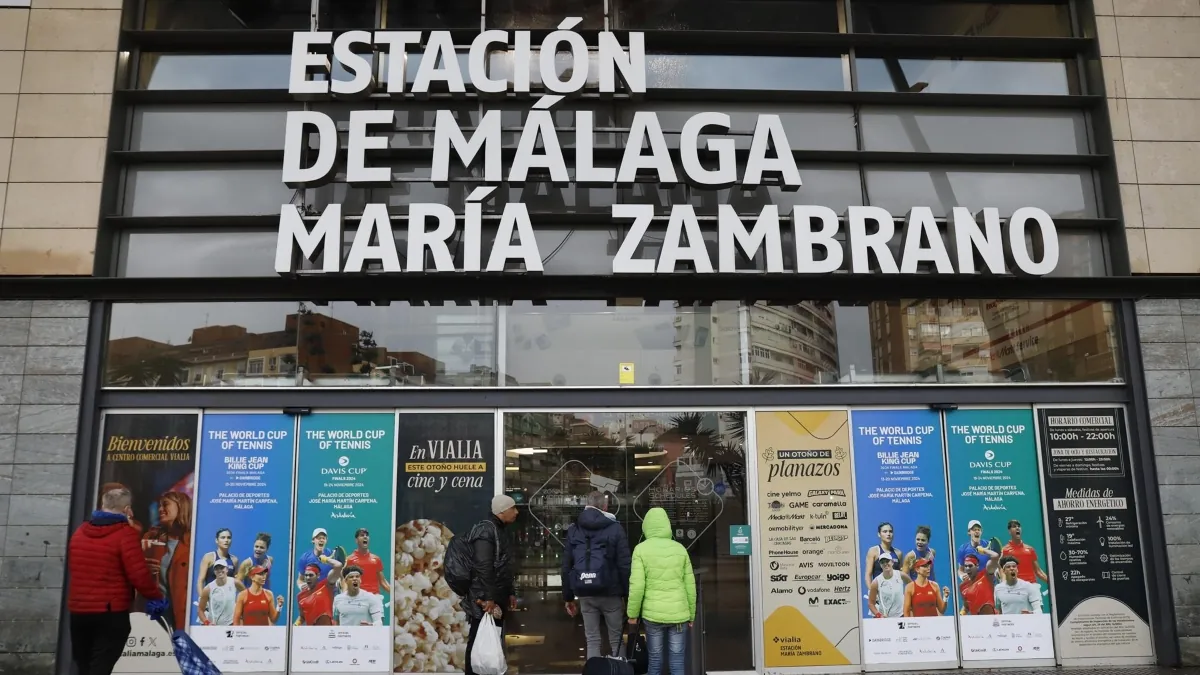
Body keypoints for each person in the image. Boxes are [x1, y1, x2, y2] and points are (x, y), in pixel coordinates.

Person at [68, 487, 165, 675]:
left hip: (79, 612)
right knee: (101, 666)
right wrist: (156, 597)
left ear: (103, 505)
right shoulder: (125, 534)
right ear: (127, 509)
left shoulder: (80, 532)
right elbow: (139, 575)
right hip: (109, 612)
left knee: (84, 666)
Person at [562, 491, 633, 659]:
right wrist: (628, 594)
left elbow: (566, 566)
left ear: (586, 505)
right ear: (605, 506)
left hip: (585, 591)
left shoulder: (574, 529)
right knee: (616, 639)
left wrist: (568, 597)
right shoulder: (615, 528)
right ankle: (619, 671)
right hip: (611, 591)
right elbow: (624, 565)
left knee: (592, 640)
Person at [627, 508, 696, 675]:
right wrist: (691, 614)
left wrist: (632, 614)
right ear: (667, 525)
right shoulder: (680, 549)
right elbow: (690, 584)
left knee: (655, 662)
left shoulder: (641, 550)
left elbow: (637, 585)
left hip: (653, 615)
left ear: (646, 527)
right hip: (679, 615)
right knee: (677, 662)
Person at [462, 495, 519, 675]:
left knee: (491, 637)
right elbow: (484, 566)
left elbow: (502, 565)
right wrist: (489, 598)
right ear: (502, 511)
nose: (516, 512)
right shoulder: (486, 531)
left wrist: (509, 592)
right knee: (478, 637)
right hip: (484, 597)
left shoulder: (499, 529)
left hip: (494, 594)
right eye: (513, 508)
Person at [141, 490, 193, 630]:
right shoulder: (150, 537)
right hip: (154, 614)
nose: (160, 509)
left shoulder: (194, 540)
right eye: (159, 505)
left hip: (182, 615)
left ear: (181, 507)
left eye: (165, 504)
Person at [297, 558, 343, 626]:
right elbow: (302, 617)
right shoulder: (300, 596)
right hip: (312, 633)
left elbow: (338, 566)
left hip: (328, 631)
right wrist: (296, 624)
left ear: (318, 575)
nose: (308, 578)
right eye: (306, 575)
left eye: (311, 575)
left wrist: (325, 559)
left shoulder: (326, 585)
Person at [1001, 520, 1049, 585]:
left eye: (1019, 526)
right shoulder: (1004, 550)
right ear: (1009, 531)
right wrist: (1003, 586)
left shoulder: (1030, 549)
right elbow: (1002, 571)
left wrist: (1051, 582)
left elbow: (1038, 571)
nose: (1017, 528)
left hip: (1032, 585)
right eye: (1014, 526)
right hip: (1015, 587)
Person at [346, 528, 391, 595]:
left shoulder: (376, 559)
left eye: (366, 535)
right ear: (356, 540)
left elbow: (383, 582)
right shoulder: (349, 560)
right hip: (357, 597)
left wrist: (394, 594)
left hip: (374, 597)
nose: (365, 537)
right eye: (362, 535)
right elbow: (345, 582)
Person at [196, 528, 240, 593]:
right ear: (217, 540)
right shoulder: (209, 557)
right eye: (223, 537)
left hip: (227, 600)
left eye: (229, 538)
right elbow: (200, 581)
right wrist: (203, 600)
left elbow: (236, 582)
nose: (226, 540)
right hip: (211, 599)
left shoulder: (234, 560)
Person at [197, 560, 238, 626]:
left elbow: (245, 594)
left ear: (227, 569)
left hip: (231, 625)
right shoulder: (208, 589)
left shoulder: (235, 582)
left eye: (222, 568)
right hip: (214, 627)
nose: (219, 570)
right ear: (214, 572)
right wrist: (207, 623)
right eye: (216, 569)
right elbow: (200, 610)